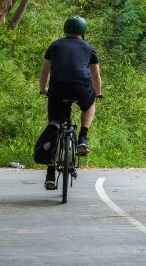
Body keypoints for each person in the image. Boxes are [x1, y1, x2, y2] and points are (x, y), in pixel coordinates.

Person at [39, 16, 101, 190]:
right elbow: (96, 76)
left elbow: (45, 70)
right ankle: (83, 137)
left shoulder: (55, 45)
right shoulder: (89, 48)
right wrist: (98, 93)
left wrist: (43, 89)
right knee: (89, 104)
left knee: (55, 127)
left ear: (65, 31)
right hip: (81, 87)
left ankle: (50, 175)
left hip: (58, 89)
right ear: (83, 32)